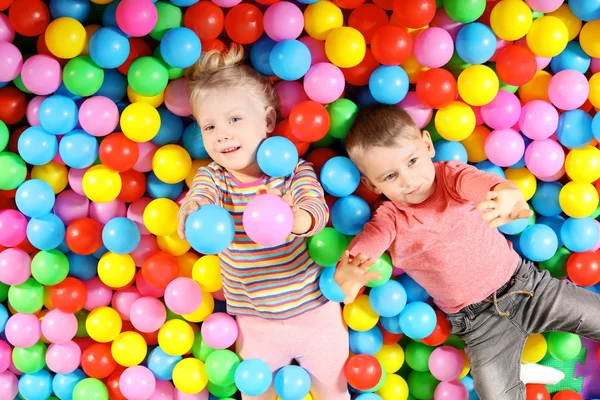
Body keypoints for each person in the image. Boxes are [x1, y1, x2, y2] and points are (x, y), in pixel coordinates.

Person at [334, 105, 598, 399]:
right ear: (372, 184)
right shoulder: (391, 216)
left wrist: (506, 192)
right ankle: (517, 370)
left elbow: (483, 185)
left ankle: (520, 367)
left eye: (412, 161)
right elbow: (372, 238)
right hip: (479, 324)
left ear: (427, 145)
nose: (409, 180)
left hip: (528, 289)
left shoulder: (450, 177)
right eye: (390, 177)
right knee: (496, 394)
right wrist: (353, 264)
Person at [178, 44, 350, 400]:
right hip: (256, 323)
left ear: (268, 122)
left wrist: (293, 218)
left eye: (234, 120)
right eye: (209, 126)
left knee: (333, 392)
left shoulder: (292, 171)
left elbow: (316, 211)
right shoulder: (214, 178)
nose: (222, 134)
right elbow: (199, 197)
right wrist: (191, 210)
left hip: (314, 312)